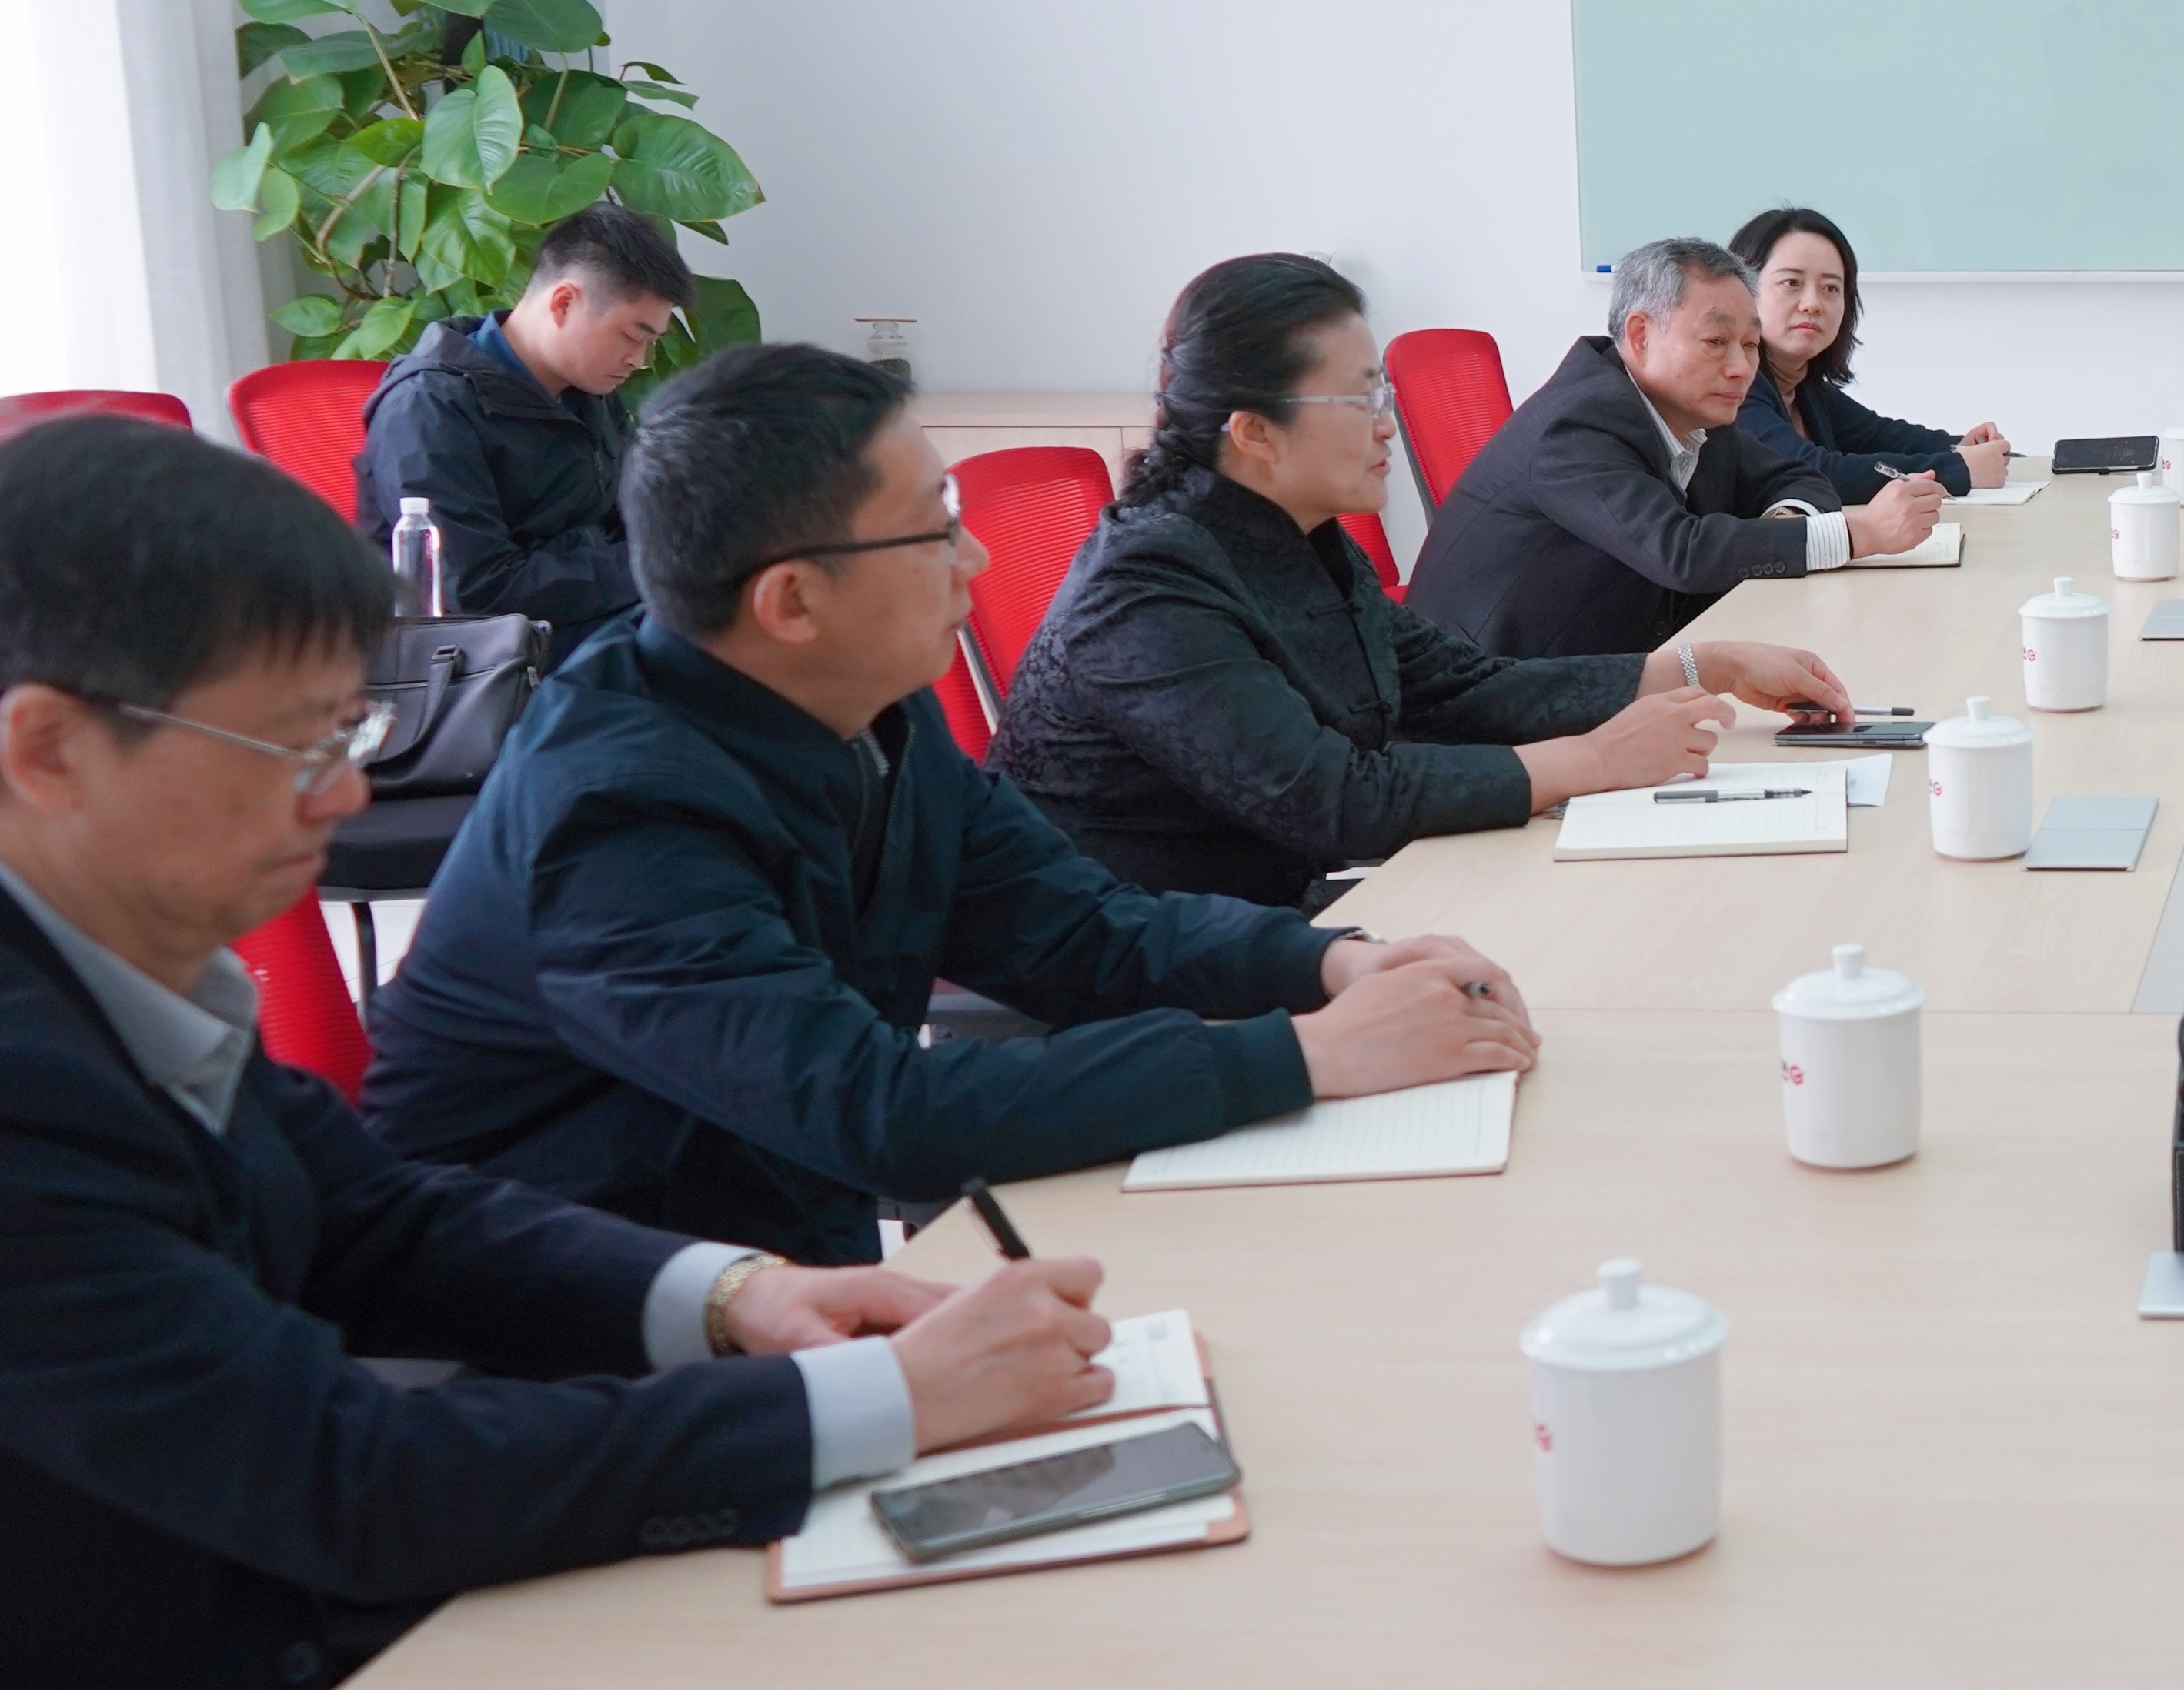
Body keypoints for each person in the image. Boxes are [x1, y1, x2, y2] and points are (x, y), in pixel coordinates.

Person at [0, 416, 1123, 1690]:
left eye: (352, 730)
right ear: (46, 747)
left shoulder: (116, 960)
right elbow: (340, 1476)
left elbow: (377, 1217)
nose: (346, 797)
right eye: (296, 745)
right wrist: (865, 1403)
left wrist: (735, 1296)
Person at [361, 344, 1536, 1265]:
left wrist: (1329, 965)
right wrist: (1301, 1056)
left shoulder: (870, 702)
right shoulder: (615, 810)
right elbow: (880, 1112)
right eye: (935, 529)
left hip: (784, 1278)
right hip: (560, 1344)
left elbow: (1079, 929)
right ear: (792, 602)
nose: (975, 562)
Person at [989, 252, 1852, 906]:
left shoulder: (1300, 541)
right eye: (1360, 399)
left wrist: (1707, 665)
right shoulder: (1151, 585)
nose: (1387, 425)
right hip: (1141, 961)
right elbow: (1332, 798)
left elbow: (1460, 685)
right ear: (1254, 433)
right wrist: (1590, 761)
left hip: (1259, 917)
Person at [1411, 236, 1946, 662]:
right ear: (1640, 336)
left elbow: (1795, 477)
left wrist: (1784, 524)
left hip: (1617, 664)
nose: (1741, 367)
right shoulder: (1576, 425)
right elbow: (1681, 552)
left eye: (1751, 344)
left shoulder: (1694, 410)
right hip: (1489, 697)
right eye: (1716, 342)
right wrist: (1857, 534)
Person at [350, 202, 689, 636]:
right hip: (487, 654)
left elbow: (635, 514)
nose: (638, 360)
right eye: (631, 336)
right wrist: (656, 565)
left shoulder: (586, 389)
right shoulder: (428, 406)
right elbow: (478, 589)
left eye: (650, 343)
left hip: (589, 622)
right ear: (564, 303)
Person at [1728, 205, 2008, 497]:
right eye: (1792, 283)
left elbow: (1880, 436)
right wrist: (1959, 468)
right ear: (1743, 290)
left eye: (1830, 288)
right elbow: (1813, 472)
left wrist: (1961, 446)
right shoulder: (1735, 386)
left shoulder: (1804, 385)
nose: (1812, 304)